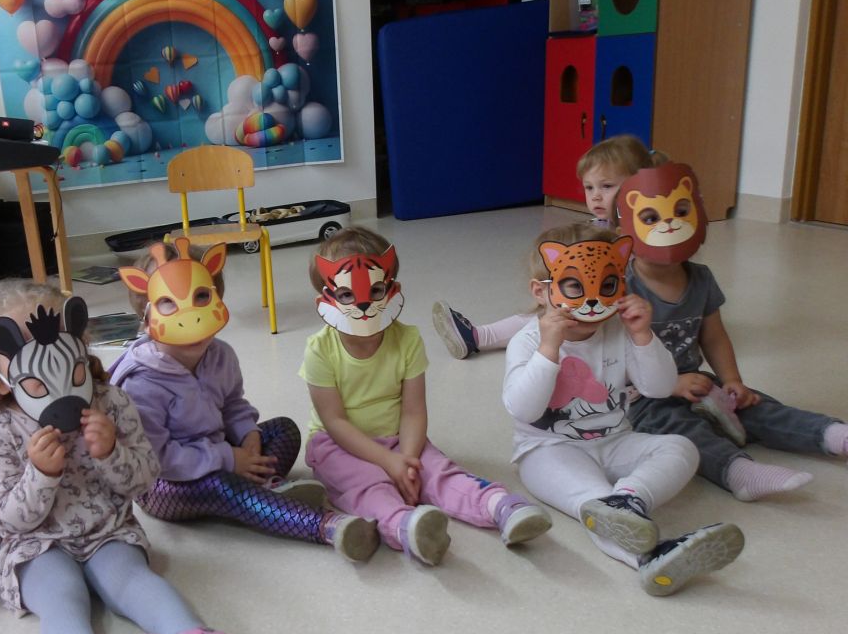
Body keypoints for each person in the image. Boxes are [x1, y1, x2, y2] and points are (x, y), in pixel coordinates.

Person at [0, 281, 239, 634]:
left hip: (106, 528)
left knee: (131, 579)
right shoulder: (1, 432)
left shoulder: (112, 403)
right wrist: (41, 474)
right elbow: (9, 519)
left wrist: (111, 451)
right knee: (60, 595)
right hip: (37, 544)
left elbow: (144, 479)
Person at [502, 221, 744, 595]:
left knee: (681, 448)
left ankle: (631, 498)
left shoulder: (619, 330)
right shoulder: (527, 341)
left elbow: (658, 387)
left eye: (607, 285)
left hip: (615, 440)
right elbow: (523, 409)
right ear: (541, 291)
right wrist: (549, 349)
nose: (593, 299)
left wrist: (643, 335)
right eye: (574, 287)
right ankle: (650, 558)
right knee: (596, 503)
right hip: (548, 451)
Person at [108, 239, 381, 563]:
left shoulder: (220, 354)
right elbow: (159, 459)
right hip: (164, 483)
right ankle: (326, 526)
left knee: (285, 430)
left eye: (201, 297)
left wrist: (248, 435)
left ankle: (257, 497)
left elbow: (233, 405)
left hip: (219, 451)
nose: (189, 316)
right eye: (169, 303)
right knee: (220, 485)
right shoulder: (141, 382)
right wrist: (227, 459)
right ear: (146, 315)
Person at [300, 227, 553, 566]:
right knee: (369, 485)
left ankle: (499, 506)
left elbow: (413, 411)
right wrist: (388, 463)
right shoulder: (319, 349)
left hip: (399, 438)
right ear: (326, 298)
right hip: (337, 444)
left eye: (376, 290)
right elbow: (334, 421)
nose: (364, 305)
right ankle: (405, 527)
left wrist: (407, 461)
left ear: (392, 288)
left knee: (437, 472)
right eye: (346, 295)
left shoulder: (407, 339)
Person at [616, 162, 848, 501]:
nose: (669, 224)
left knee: (757, 406)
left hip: (696, 380)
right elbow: (609, 354)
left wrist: (733, 381)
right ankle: (738, 472)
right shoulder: (622, 286)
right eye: (650, 218)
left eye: (681, 212)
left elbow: (714, 336)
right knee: (680, 431)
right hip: (641, 395)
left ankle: (832, 435)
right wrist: (669, 384)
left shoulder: (701, 278)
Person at [432, 135, 665, 360]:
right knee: (546, 310)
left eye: (606, 186)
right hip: (590, 309)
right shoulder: (595, 230)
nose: (595, 196)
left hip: (628, 321)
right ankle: (477, 336)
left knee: (546, 315)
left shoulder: (650, 235)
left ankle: (480, 336)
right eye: (589, 187)